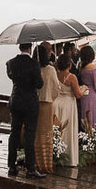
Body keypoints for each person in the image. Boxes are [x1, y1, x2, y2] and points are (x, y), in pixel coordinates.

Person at [5, 43, 44, 178]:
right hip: (30, 104)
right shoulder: (34, 64)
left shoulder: (11, 63)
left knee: (14, 133)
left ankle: (11, 166)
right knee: (29, 135)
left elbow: (11, 77)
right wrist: (40, 74)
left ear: (20, 47)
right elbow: (39, 84)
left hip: (15, 101)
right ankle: (30, 169)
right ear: (30, 47)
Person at [54, 55, 88, 167]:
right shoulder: (71, 77)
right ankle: (67, 157)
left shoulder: (55, 73)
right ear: (69, 65)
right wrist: (84, 88)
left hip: (57, 103)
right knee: (67, 130)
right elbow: (78, 94)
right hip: (68, 104)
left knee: (57, 130)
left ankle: (55, 154)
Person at [35, 43, 61, 173]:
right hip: (47, 104)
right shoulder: (50, 70)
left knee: (36, 134)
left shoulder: (33, 68)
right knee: (46, 135)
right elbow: (57, 88)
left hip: (34, 104)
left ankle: (35, 162)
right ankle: (46, 164)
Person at [77, 45, 96, 131]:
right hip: (93, 98)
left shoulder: (82, 67)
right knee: (92, 119)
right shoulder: (94, 69)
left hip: (84, 96)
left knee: (84, 118)